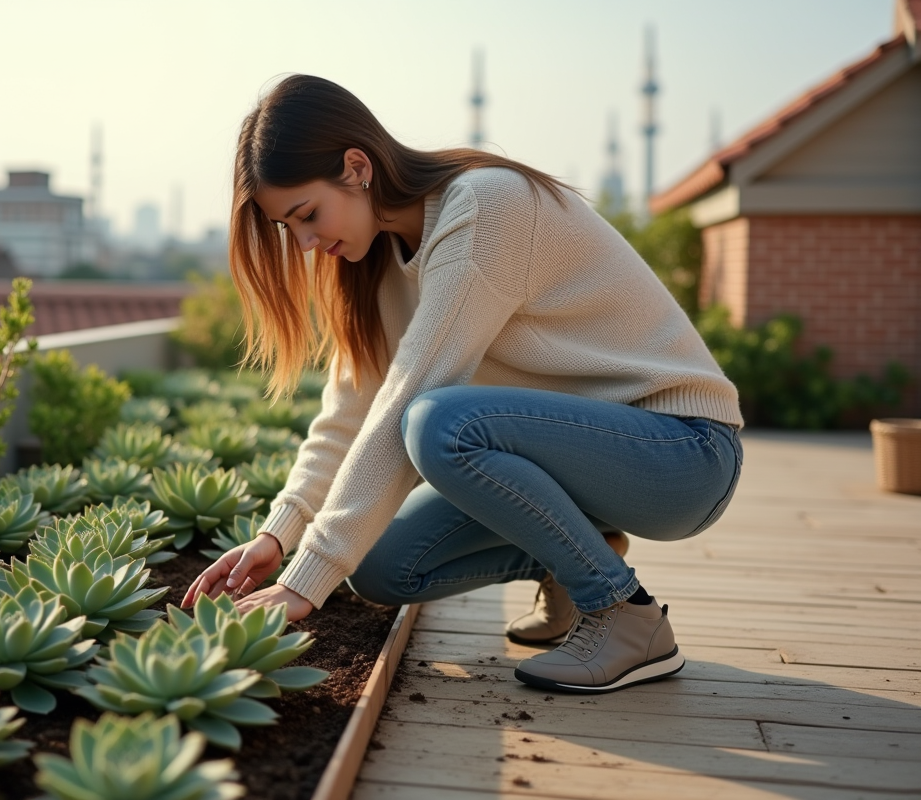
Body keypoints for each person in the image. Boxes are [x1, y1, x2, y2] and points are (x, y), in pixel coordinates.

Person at [182, 74, 743, 694]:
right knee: (375, 563)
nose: (308, 244)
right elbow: (349, 413)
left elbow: (408, 400)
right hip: (582, 460)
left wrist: (301, 585)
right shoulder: (372, 263)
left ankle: (626, 618)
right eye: (291, 228)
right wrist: (279, 535)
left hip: (684, 453)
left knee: (439, 423)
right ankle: (579, 555)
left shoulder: (485, 207)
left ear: (356, 166)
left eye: (307, 215)